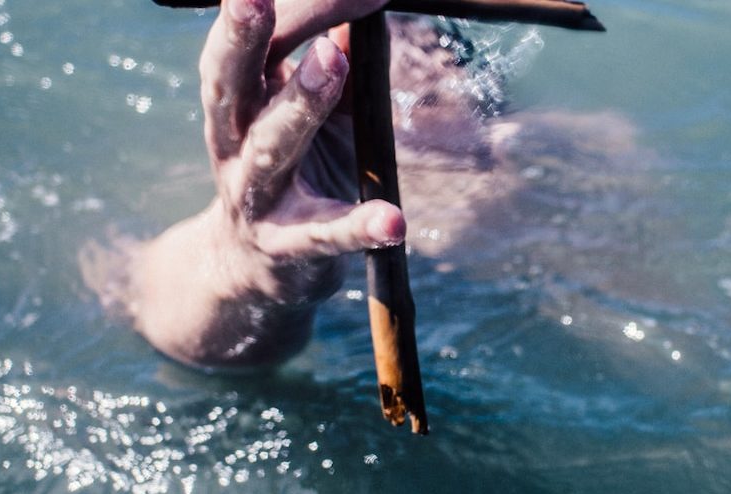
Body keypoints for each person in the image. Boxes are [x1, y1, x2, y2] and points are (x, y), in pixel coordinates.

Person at [85, 0, 642, 371]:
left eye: (442, 57)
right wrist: (245, 262)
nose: (433, 67)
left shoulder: (577, 155)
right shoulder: (291, 172)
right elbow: (137, 298)